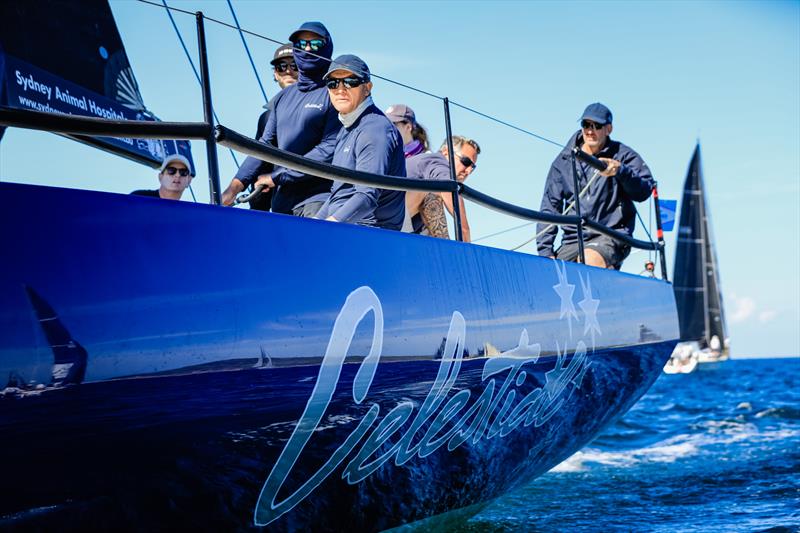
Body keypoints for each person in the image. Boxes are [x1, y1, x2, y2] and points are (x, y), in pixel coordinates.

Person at [221, 22, 340, 217]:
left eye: (316, 44)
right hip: (282, 204)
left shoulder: (336, 93)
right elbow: (263, 147)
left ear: (327, 47)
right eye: (301, 44)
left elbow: (329, 149)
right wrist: (233, 188)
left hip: (319, 200)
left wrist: (277, 176)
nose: (308, 49)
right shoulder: (281, 99)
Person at [537, 103, 654, 269]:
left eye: (596, 126)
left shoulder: (624, 155)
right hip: (572, 240)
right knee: (549, 273)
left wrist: (621, 171)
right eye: (586, 125)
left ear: (608, 129)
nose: (590, 131)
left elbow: (644, 191)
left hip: (611, 235)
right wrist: (545, 251)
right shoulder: (562, 162)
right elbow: (550, 207)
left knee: (588, 260)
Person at [314, 54, 406, 229]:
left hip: (367, 236)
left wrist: (324, 229)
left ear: (367, 88)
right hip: (346, 230)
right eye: (333, 83)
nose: (340, 89)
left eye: (350, 82)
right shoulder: (346, 129)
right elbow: (338, 195)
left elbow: (366, 197)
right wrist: (311, 225)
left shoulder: (374, 129)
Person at [249, 43, 299, 212]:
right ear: (275, 74)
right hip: (282, 204)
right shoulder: (267, 117)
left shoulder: (327, 105)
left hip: (316, 202)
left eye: (295, 65)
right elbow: (262, 162)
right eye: (281, 66)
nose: (288, 71)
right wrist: (257, 211)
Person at [403, 136, 480, 240]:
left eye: (473, 167)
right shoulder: (437, 161)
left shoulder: (429, 168)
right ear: (446, 152)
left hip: (397, 220)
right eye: (466, 162)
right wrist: (465, 231)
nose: (469, 170)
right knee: (433, 193)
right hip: (385, 213)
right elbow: (448, 188)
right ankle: (444, 248)